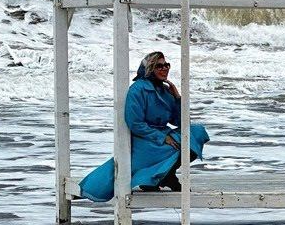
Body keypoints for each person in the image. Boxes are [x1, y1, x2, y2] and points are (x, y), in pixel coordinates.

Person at [77, 51, 209, 202]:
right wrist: (162, 137)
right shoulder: (137, 89)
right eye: (159, 66)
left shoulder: (165, 91)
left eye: (166, 65)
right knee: (178, 144)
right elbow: (135, 123)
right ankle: (160, 178)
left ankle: (165, 176)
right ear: (149, 69)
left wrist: (178, 98)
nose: (164, 69)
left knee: (196, 133)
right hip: (144, 140)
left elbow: (181, 123)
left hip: (162, 136)